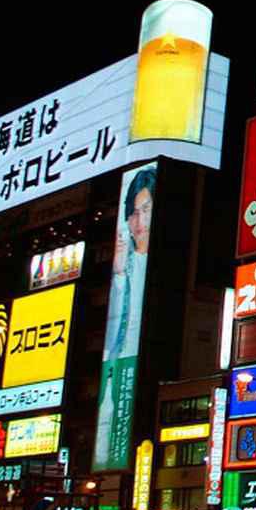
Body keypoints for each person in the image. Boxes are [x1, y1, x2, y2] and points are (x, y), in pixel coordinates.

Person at [95, 166, 156, 468]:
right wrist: (118, 274)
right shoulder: (125, 265)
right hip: (118, 366)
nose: (140, 221)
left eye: (147, 209)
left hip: (135, 369)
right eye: (135, 212)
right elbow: (115, 329)